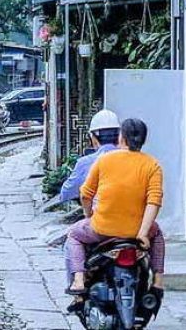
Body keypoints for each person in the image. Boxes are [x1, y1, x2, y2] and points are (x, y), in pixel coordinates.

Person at [64, 118, 165, 298]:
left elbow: (85, 194)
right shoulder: (152, 165)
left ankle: (79, 280)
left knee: (73, 234)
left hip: (101, 228)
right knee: (157, 235)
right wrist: (142, 233)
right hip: (136, 233)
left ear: (122, 137)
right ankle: (158, 280)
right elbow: (154, 201)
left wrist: (89, 215)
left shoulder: (104, 160)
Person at [59, 109, 120, 203]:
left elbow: (66, 194)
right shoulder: (134, 160)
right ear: (119, 136)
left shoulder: (85, 163)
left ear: (93, 138)